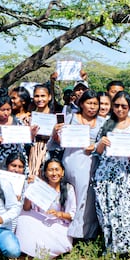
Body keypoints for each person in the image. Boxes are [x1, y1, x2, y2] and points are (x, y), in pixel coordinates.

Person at [92, 92, 130, 256]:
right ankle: (111, 247)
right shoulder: (106, 124)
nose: (119, 109)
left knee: (127, 210)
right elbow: (96, 152)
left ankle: (129, 248)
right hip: (106, 175)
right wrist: (101, 144)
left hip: (128, 175)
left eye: (124, 106)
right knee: (108, 209)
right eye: (116, 105)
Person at [54, 90, 104, 242]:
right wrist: (56, 132)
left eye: (95, 104)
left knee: (88, 199)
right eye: (89, 103)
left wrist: (94, 146)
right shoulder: (70, 118)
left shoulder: (102, 121)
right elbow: (58, 141)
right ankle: (66, 234)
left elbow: (105, 142)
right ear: (81, 104)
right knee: (71, 197)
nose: (92, 107)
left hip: (91, 162)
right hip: (72, 160)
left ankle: (86, 234)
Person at [15, 158, 77, 259]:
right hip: (39, 221)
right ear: (45, 173)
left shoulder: (68, 189)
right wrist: (30, 189)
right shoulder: (41, 186)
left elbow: (72, 215)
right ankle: (34, 250)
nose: (54, 173)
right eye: (50, 170)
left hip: (59, 225)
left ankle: (46, 250)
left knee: (56, 237)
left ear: (62, 172)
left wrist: (59, 214)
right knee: (22, 218)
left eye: (57, 170)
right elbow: (26, 208)